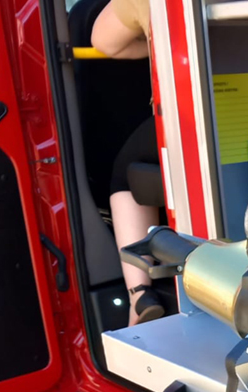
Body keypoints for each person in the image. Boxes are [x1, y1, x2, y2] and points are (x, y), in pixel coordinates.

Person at [91, 0, 164, 325]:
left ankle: (140, 294)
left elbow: (105, 42)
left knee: (127, 174)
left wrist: (154, 45)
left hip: (200, 107)